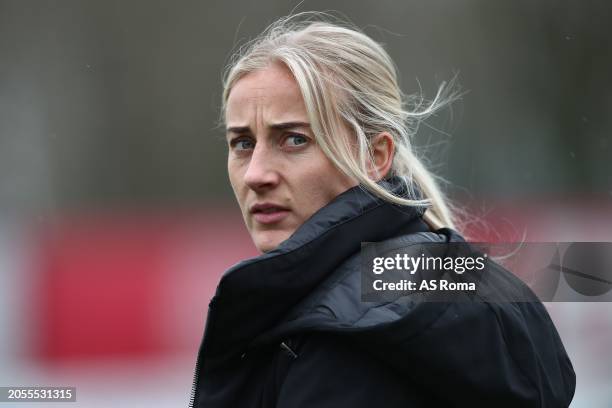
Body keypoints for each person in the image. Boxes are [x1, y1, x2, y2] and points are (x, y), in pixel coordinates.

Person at [189, 12, 575, 408]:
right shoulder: (452, 285)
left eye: (293, 139)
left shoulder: (341, 339)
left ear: (375, 156)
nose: (256, 174)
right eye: (242, 144)